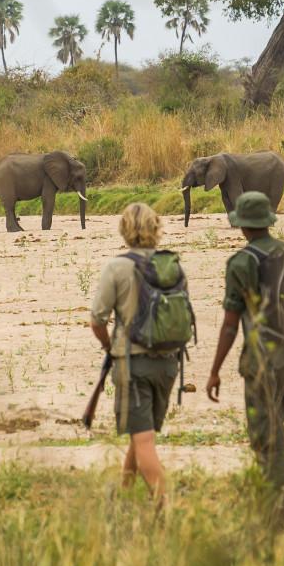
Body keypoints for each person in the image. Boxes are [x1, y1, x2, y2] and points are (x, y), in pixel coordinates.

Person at [204, 190, 284, 523]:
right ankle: (275, 494)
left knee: (264, 434)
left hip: (262, 361)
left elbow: (230, 324)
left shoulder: (241, 263)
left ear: (242, 226)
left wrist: (214, 371)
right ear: (268, 222)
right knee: (274, 429)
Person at [89, 202, 180, 505]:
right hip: (168, 365)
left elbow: (97, 320)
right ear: (156, 228)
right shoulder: (171, 265)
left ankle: (166, 504)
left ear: (124, 229)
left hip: (133, 364)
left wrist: (109, 348)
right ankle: (123, 493)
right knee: (142, 432)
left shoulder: (116, 267)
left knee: (143, 440)